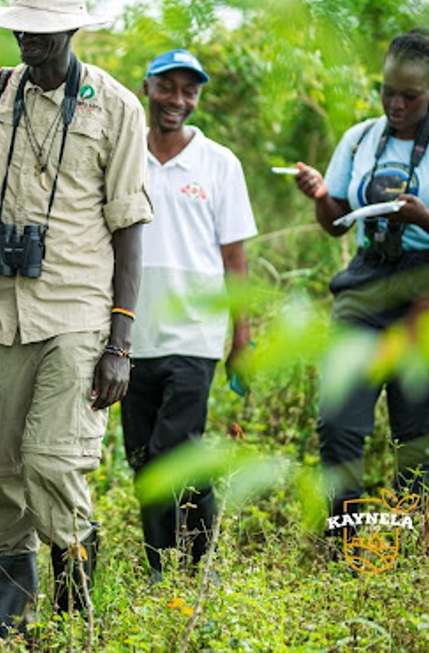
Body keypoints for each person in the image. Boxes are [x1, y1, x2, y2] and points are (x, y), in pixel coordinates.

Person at [0, 0, 153, 638]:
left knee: (53, 460)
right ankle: (11, 628)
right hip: (0, 312)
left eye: (44, 30)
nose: (29, 39)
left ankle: (79, 617)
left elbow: (130, 225)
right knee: (5, 478)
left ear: (73, 27)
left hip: (78, 310)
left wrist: (120, 343)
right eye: (22, 26)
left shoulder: (117, 106)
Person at [293, 28, 429, 550]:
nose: (396, 104)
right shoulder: (359, 139)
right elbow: (337, 223)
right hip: (366, 285)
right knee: (339, 426)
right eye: (388, 92)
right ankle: (346, 545)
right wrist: (319, 194)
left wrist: (427, 217)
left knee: (415, 435)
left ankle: (405, 551)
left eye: (409, 95)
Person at [123, 49, 257, 582]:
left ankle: (196, 564)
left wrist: (241, 338)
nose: (178, 100)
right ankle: (165, 565)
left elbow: (235, 258)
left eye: (189, 91)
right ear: (148, 88)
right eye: (168, 87)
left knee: (170, 448)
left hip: (194, 336)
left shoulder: (219, 163)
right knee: (142, 458)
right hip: (131, 334)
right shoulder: (125, 154)